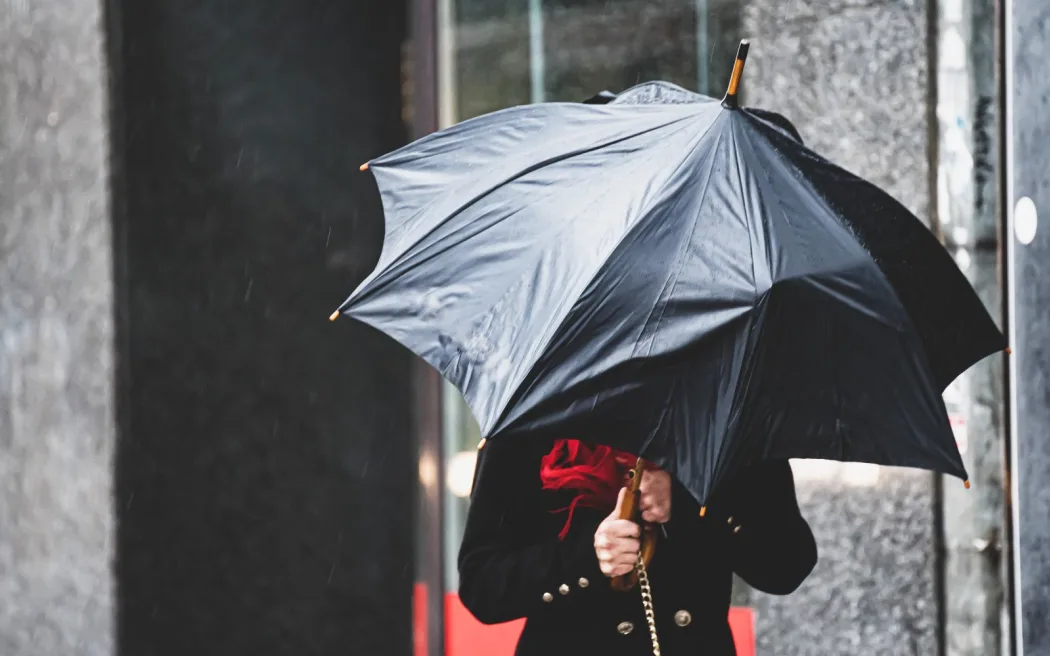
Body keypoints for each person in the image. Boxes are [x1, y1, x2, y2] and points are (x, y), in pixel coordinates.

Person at [458, 437, 817, 655]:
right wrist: (587, 557)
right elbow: (483, 588)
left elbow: (786, 566)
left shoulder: (727, 418)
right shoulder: (532, 425)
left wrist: (691, 503)